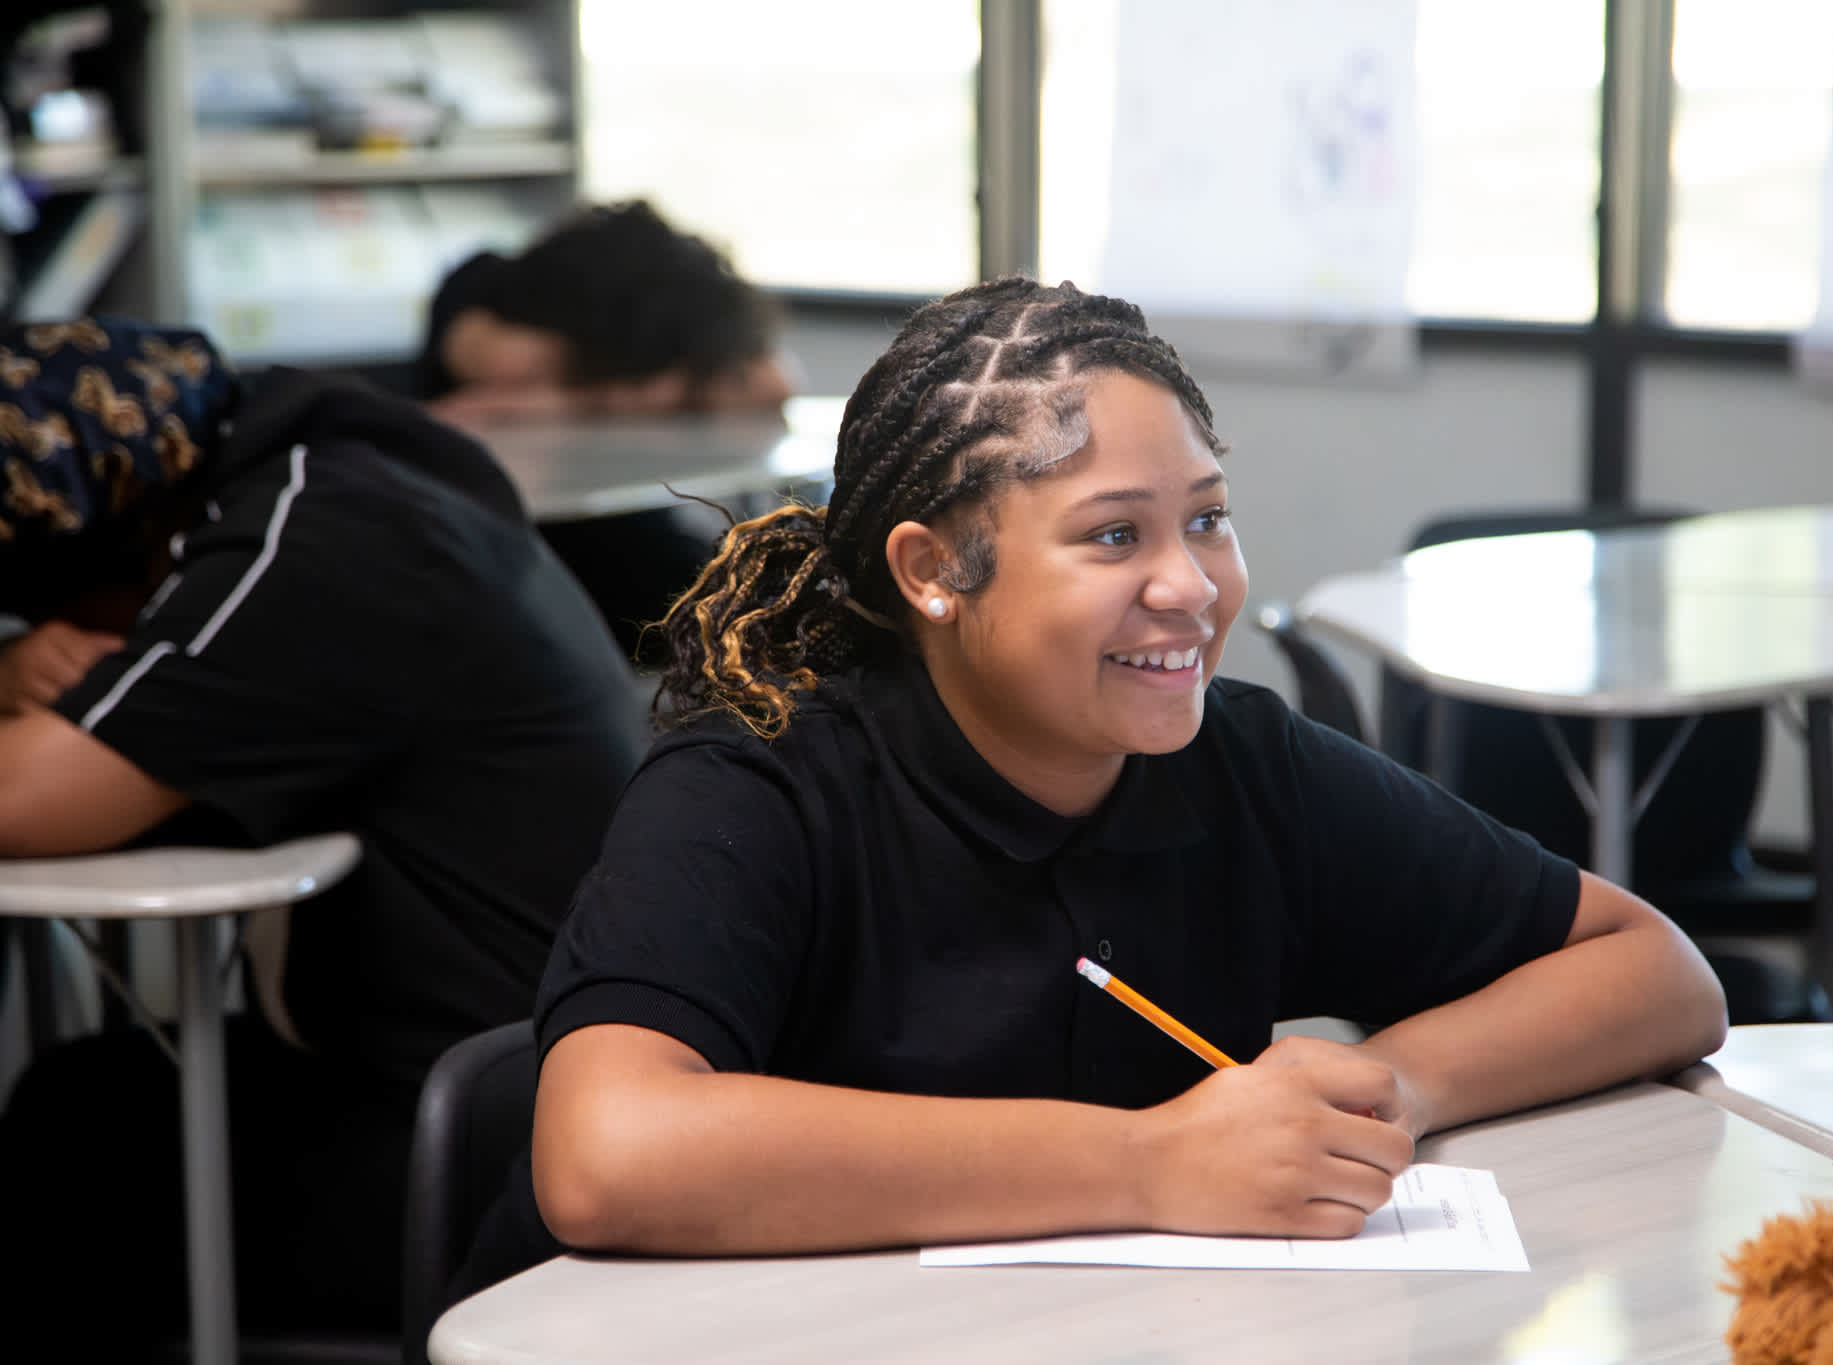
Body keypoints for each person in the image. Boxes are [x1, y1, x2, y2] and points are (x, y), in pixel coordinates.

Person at [454, 277, 1727, 1292]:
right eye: (1115, 535)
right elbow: (606, 1157)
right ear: (931, 569)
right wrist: (1150, 1162)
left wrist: (1377, 1096)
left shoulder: (1237, 761)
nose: (1189, 586)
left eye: (1208, 519)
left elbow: (1652, 972)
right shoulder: (759, 780)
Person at [0, 317, 648, 1352]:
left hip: (490, 1149)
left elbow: (25, 802)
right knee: (88, 1094)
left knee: (71, 1150)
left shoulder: (305, 546)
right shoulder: (347, 475)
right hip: (529, 1086)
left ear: (116, 522)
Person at [417, 198, 795, 423]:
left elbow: (774, 383)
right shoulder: (501, 323)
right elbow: (470, 411)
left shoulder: (661, 311)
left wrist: (586, 401)